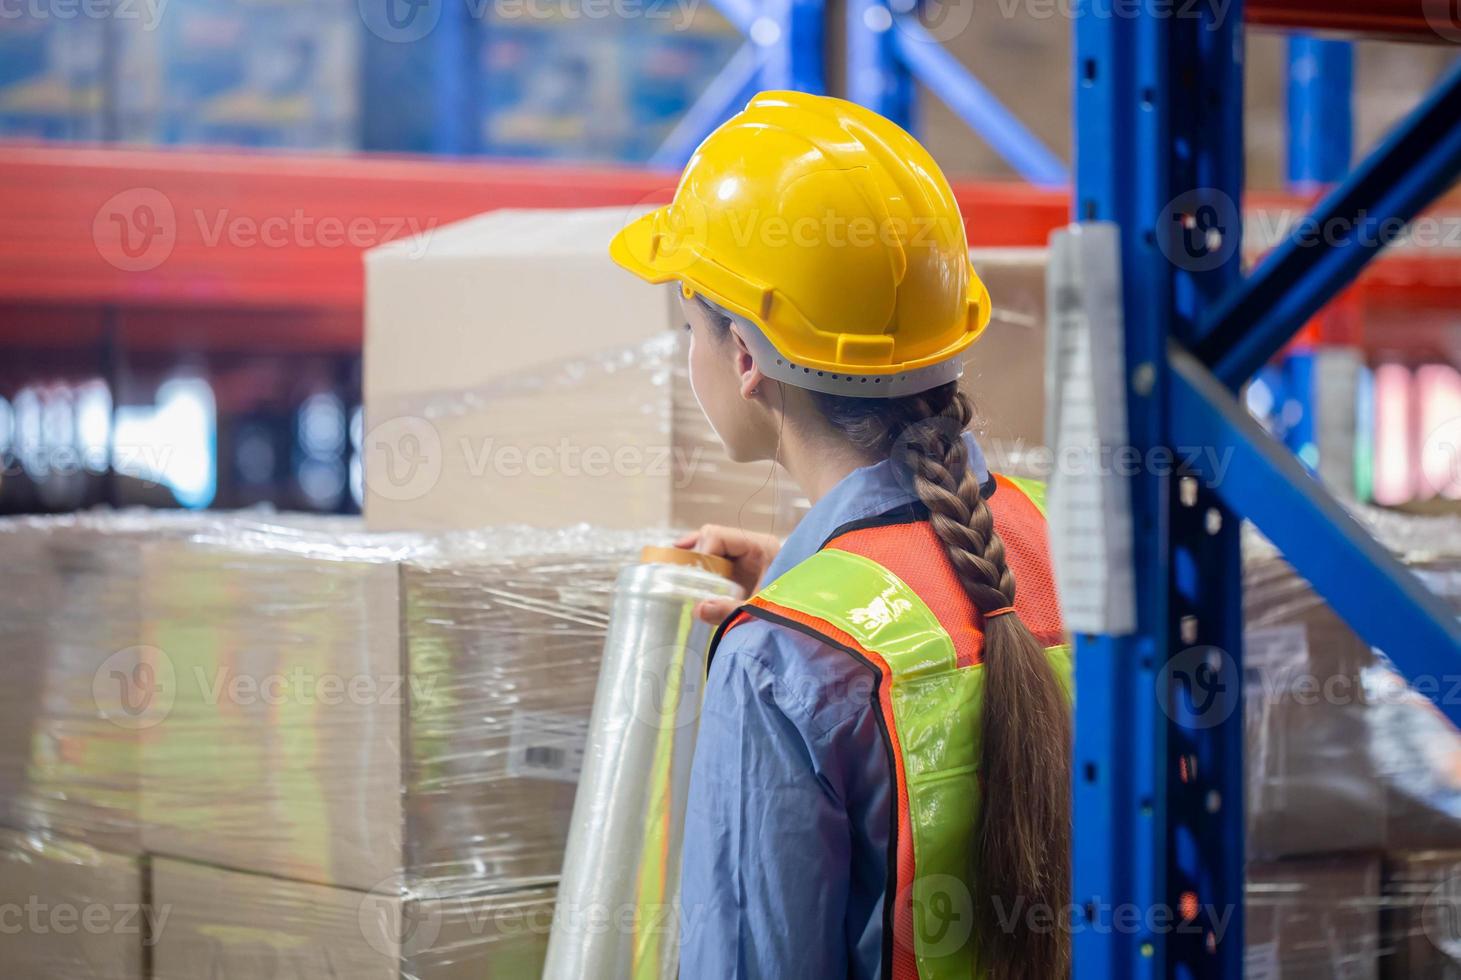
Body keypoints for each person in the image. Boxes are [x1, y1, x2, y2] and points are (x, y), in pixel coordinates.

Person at [610, 90, 1073, 980]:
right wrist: (804, 594)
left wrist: (798, 631)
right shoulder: (1069, 540)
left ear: (745, 357)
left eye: (689, 329)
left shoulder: (780, 663)